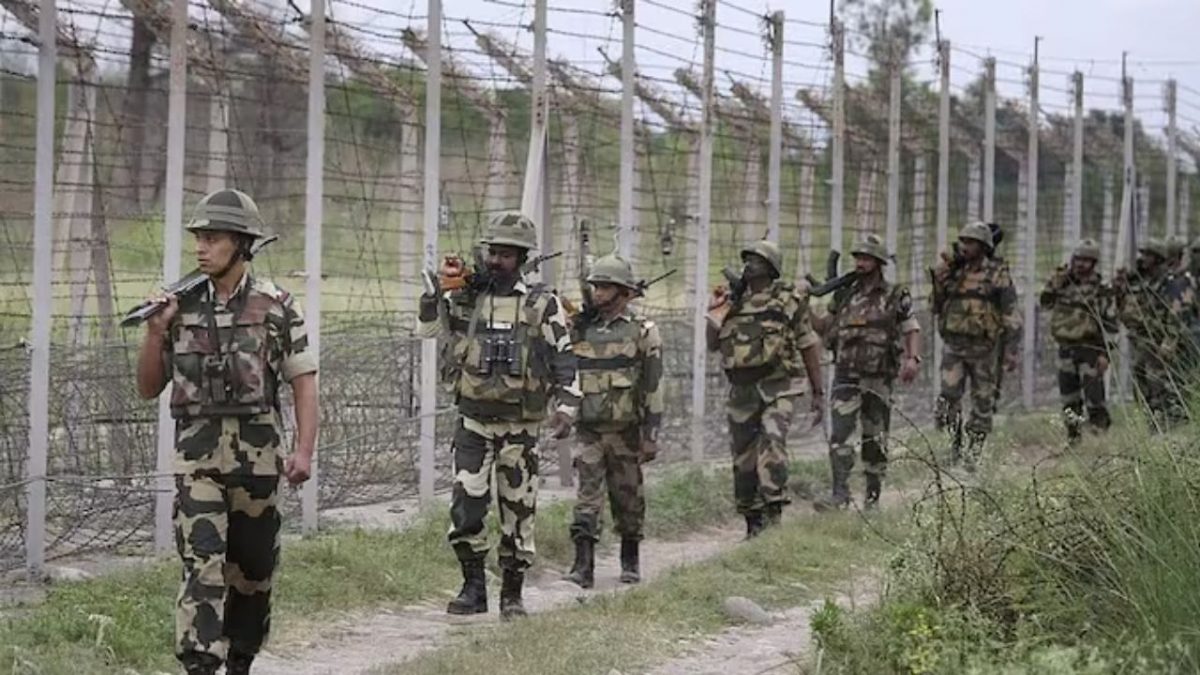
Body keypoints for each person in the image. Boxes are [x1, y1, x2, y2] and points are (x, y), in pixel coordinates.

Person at [135, 188, 319, 675]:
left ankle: (241, 658)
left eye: (213, 238)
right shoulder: (179, 307)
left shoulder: (277, 306)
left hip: (258, 463)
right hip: (197, 462)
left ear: (241, 244)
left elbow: (303, 381)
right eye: (198, 237)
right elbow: (148, 387)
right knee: (203, 562)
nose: (201, 247)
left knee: (253, 573)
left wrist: (303, 451)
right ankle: (200, 662)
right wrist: (155, 332)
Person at [417, 211, 580, 619]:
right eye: (492, 252)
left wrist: (566, 406)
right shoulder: (467, 298)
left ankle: (512, 593)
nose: (495, 261)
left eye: (506, 255)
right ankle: (473, 588)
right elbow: (428, 331)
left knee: (518, 511)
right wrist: (434, 294)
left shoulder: (542, 304)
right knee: (466, 507)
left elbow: (563, 356)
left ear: (522, 258)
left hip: (519, 427)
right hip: (473, 423)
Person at [706, 239, 824, 538]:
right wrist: (715, 313)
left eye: (757, 260)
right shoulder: (732, 299)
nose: (749, 264)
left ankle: (774, 515)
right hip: (742, 390)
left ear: (771, 267)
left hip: (779, 386)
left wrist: (818, 392)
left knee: (773, 444)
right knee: (743, 457)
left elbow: (807, 343)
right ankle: (752, 521)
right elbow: (712, 344)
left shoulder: (788, 300)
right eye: (747, 259)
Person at [563, 253, 664, 588]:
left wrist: (651, 434)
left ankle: (630, 559)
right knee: (587, 497)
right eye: (595, 286)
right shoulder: (580, 328)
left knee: (628, 497)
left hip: (626, 431)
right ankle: (583, 565)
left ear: (624, 292)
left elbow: (652, 385)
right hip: (589, 429)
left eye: (606, 287)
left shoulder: (643, 332)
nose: (598, 293)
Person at [812, 235, 921, 511]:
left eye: (866, 258)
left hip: (878, 377)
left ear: (878, 262)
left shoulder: (895, 295)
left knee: (875, 437)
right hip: (845, 375)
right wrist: (803, 309)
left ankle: (873, 497)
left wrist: (912, 358)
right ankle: (839, 494)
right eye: (858, 258)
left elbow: (910, 327)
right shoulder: (845, 295)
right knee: (840, 436)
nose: (860, 263)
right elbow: (824, 327)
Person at [930, 221, 1022, 471]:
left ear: (983, 246)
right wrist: (939, 280)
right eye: (963, 241)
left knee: (982, 401)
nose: (965, 247)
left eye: (971, 242)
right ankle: (954, 446)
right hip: (954, 347)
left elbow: (1011, 313)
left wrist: (1011, 350)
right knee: (948, 397)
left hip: (984, 349)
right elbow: (936, 305)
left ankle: (974, 451)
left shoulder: (996, 273)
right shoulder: (954, 272)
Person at [1039, 239, 1118, 444]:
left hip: (1090, 349)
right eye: (1078, 259)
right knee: (1069, 398)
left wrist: (1105, 354)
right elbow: (1045, 303)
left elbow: (1110, 323)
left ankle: (1099, 437)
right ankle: (1073, 439)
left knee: (1094, 397)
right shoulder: (1063, 284)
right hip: (1066, 348)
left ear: (1093, 263)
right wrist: (1054, 283)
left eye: (1085, 260)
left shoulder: (1101, 289)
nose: (1080, 264)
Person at [1115, 238, 1194, 426]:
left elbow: (1178, 314)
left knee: (1161, 384)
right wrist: (1121, 289)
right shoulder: (1141, 281)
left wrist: (1170, 340)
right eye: (1143, 254)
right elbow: (1128, 311)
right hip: (1143, 343)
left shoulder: (1171, 282)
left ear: (1158, 258)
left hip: (1162, 344)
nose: (1143, 259)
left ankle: (1172, 423)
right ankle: (1153, 423)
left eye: (1148, 255)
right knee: (1142, 384)